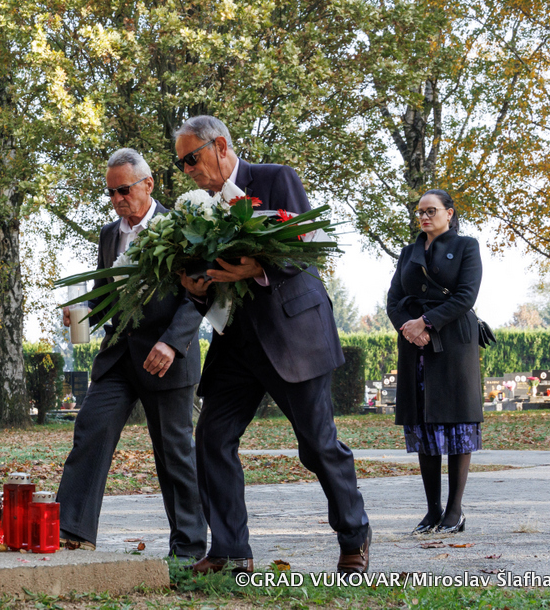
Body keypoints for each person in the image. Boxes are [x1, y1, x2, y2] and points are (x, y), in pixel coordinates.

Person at [175, 115, 371, 575]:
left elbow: (304, 248)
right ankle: (230, 551)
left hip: (292, 335)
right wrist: (195, 287)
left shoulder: (275, 178)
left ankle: (354, 534)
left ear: (220, 145)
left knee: (317, 445)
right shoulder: (197, 208)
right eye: (182, 164)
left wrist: (257, 270)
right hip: (236, 344)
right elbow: (206, 273)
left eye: (192, 159)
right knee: (213, 438)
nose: (187, 171)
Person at [57, 148, 207, 561]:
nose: (118, 199)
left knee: (174, 453)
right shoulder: (109, 234)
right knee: (91, 429)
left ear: (148, 184)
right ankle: (71, 529)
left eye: (124, 189)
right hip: (118, 356)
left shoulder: (182, 228)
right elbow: (110, 296)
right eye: (111, 192)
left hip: (166, 357)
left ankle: (189, 549)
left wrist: (172, 342)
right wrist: (84, 311)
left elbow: (199, 295)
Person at [386, 189, 482, 535]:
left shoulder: (468, 246)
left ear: (449, 213)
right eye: (420, 212)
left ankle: (454, 511)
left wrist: (426, 322)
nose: (424, 217)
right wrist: (409, 328)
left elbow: (466, 296)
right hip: (415, 344)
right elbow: (394, 298)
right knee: (423, 422)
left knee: (456, 423)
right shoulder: (409, 252)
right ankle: (432, 511)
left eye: (431, 211)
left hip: (453, 342)